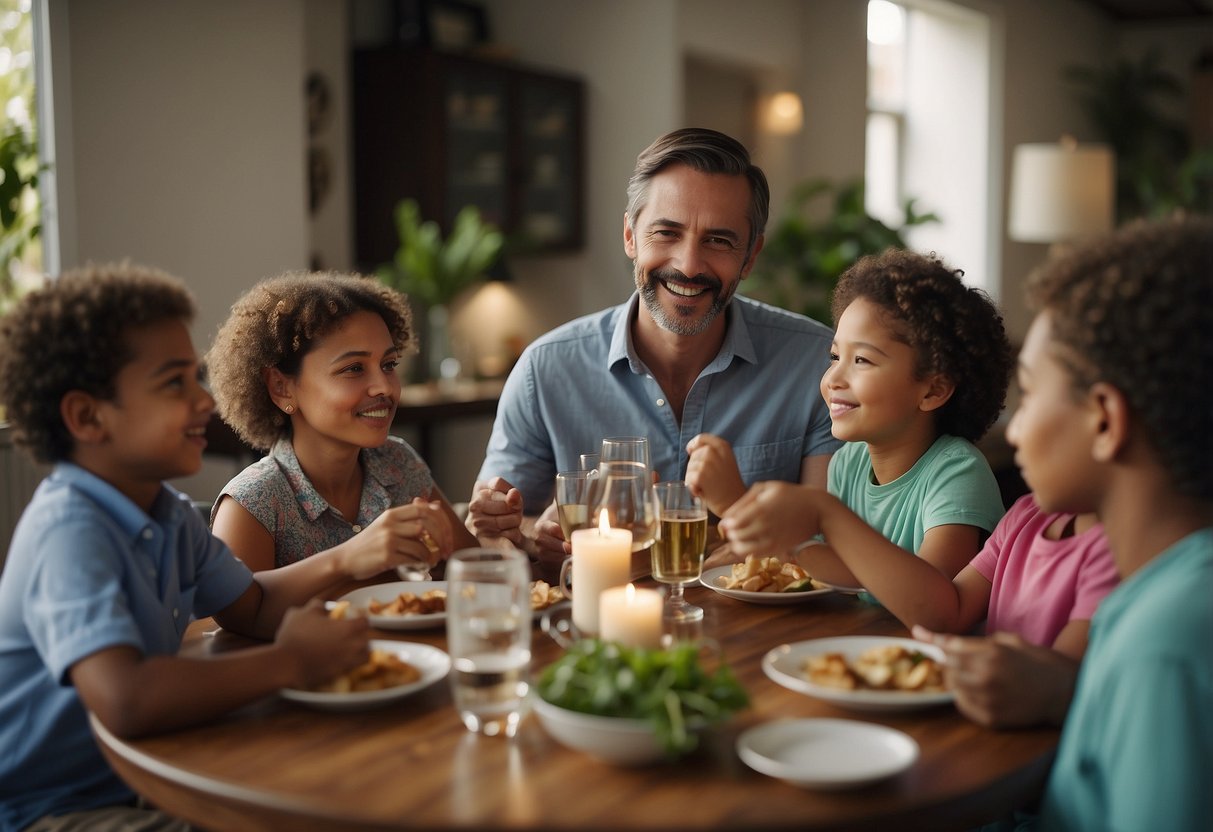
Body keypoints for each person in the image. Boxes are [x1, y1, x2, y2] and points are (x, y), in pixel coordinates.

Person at [0, 264, 420, 831]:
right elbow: (126, 698)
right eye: (174, 383)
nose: (204, 401)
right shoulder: (69, 532)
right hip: (56, 809)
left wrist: (343, 568)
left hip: (144, 775)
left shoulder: (167, 512)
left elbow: (247, 605)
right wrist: (291, 661)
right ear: (86, 416)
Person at [926, 215, 1213, 830]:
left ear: (1106, 420)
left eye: (1029, 395)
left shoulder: (1165, 640)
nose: (1016, 428)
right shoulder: (1153, 595)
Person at [467, 127, 839, 572]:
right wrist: (528, 537)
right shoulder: (544, 368)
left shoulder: (817, 365)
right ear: (630, 235)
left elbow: (830, 541)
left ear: (750, 255)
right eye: (666, 232)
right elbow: (501, 524)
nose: (688, 265)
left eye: (718, 241)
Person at [718, 248, 1011, 590]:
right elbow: (839, 573)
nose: (833, 379)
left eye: (862, 361)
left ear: (933, 391)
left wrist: (793, 535)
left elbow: (932, 596)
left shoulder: (957, 473)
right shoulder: (847, 464)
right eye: (834, 356)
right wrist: (780, 538)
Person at [205, 271, 480, 573]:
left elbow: (475, 569)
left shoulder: (398, 464)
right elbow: (240, 613)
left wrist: (500, 535)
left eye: (389, 364)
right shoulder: (252, 504)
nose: (385, 387)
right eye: (354, 368)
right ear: (281, 387)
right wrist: (348, 560)